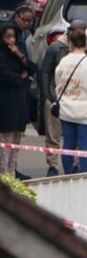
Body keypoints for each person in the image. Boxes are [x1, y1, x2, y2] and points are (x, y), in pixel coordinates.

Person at [39, 20, 87, 177]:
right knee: (53, 133)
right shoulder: (55, 48)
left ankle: (76, 163)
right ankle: (53, 164)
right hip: (55, 98)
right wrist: (48, 96)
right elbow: (45, 72)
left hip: (78, 99)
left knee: (74, 135)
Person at [54, 27, 87, 175]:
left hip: (67, 109)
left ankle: (68, 174)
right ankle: (84, 175)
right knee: (85, 147)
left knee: (68, 145)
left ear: (70, 42)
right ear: (85, 43)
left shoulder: (63, 62)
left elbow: (58, 84)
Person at [0, 22, 33, 175]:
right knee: (5, 144)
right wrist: (20, 77)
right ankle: (4, 176)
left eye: (13, 37)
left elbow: (32, 68)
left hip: (19, 104)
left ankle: (11, 174)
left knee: (15, 143)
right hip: (5, 104)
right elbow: (5, 75)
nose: (11, 41)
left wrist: (19, 55)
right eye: (8, 37)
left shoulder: (17, 53)